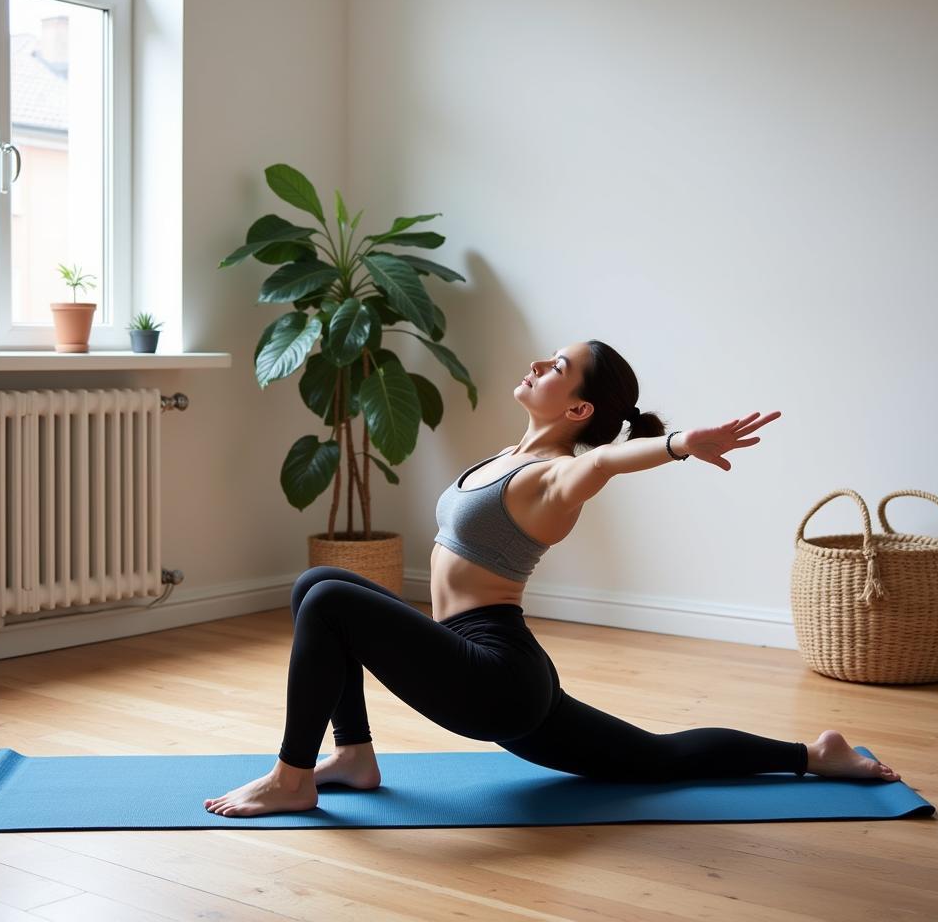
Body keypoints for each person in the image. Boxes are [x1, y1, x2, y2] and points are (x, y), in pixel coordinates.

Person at [205, 340, 900, 816]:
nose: (539, 362)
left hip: (494, 676)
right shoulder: (511, 454)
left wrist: (682, 445)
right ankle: (814, 754)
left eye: (558, 365)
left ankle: (294, 778)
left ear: (579, 411)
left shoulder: (560, 475)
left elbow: (602, 465)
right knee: (320, 584)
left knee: (326, 598)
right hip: (486, 671)